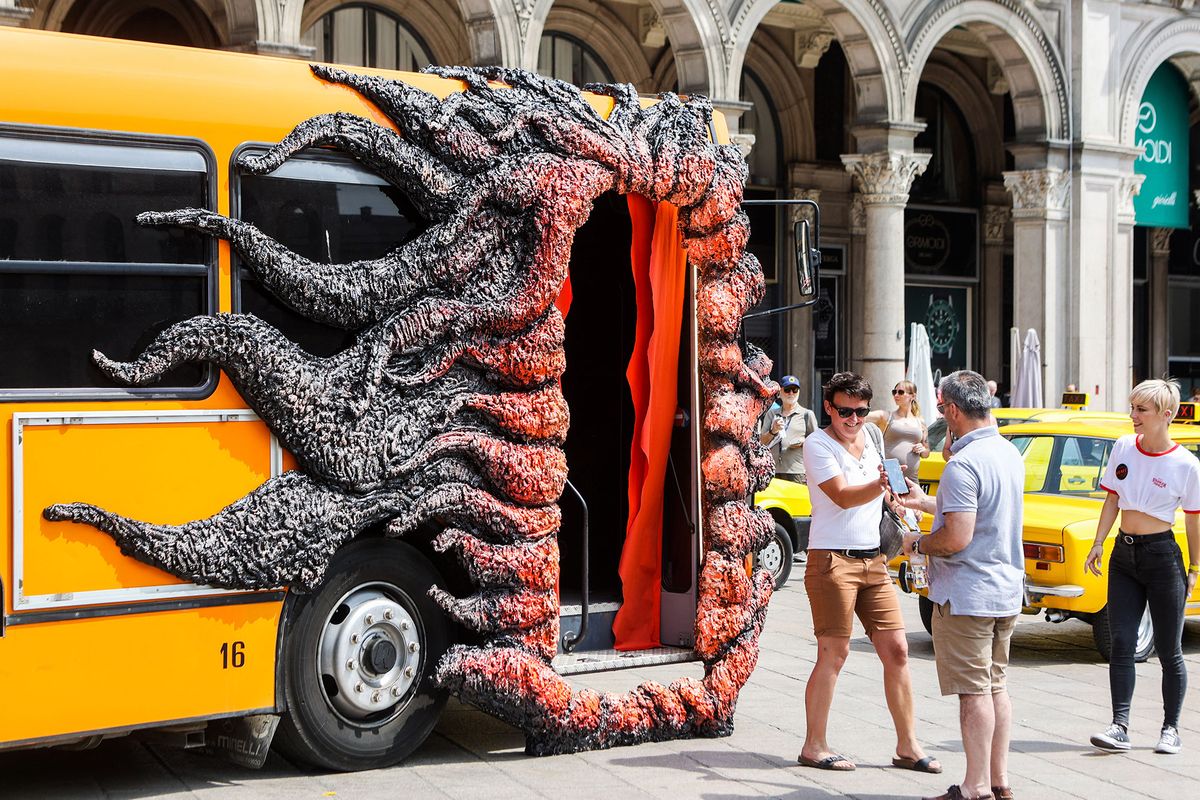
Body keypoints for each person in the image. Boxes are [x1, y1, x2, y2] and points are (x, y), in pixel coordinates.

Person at [797, 371, 940, 775]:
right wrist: (880, 484)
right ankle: (814, 745)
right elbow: (841, 496)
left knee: (897, 649)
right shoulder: (817, 443)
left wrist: (902, 503)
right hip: (832, 561)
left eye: (860, 412)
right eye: (845, 411)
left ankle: (908, 745)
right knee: (834, 653)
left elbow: (882, 495)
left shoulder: (874, 440)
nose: (854, 419)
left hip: (874, 559)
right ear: (829, 407)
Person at [895, 370, 1024, 800]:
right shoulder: (1008, 453)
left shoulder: (963, 464)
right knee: (996, 686)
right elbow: (978, 511)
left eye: (941, 409)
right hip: (1005, 589)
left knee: (973, 693)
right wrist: (925, 501)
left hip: (968, 593)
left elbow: (956, 536)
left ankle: (974, 787)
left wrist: (918, 542)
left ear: (952, 409)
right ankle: (999, 780)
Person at [1084, 378, 1200, 756]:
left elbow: (1195, 519)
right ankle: (1119, 726)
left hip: (1163, 556)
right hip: (1124, 555)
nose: (1132, 416)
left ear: (1167, 416)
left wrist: (1195, 567)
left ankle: (1171, 728)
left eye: (1141, 410)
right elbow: (1113, 499)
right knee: (1122, 642)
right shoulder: (1122, 447)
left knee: (1169, 649)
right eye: (1132, 408)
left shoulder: (1186, 464)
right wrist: (1099, 542)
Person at [758, 374, 818, 483]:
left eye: (794, 390)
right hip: (772, 470)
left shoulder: (807, 414)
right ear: (780, 392)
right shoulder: (771, 414)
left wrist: (803, 442)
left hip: (797, 471)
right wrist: (773, 431)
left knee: (797, 500)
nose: (791, 393)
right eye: (787, 390)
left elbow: (817, 443)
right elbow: (761, 443)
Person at [867, 380, 930, 481]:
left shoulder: (920, 421)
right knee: (895, 495)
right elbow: (861, 415)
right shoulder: (886, 416)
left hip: (912, 479)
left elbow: (926, 453)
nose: (896, 395)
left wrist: (922, 449)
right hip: (890, 474)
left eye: (900, 392)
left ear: (912, 396)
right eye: (894, 392)